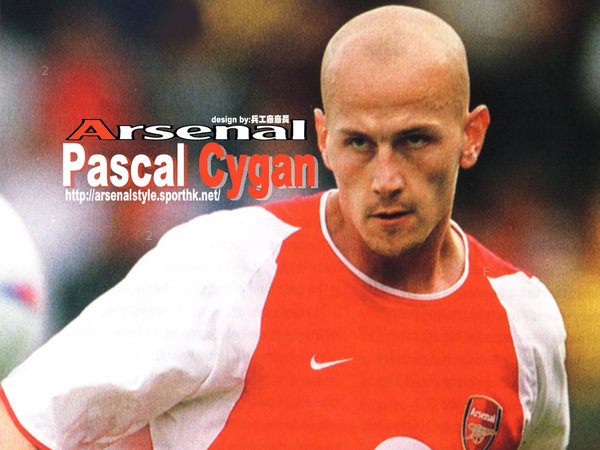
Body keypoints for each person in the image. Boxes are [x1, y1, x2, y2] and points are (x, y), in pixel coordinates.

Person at [0, 5, 569, 449]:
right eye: (359, 144)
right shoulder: (227, 269)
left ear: (471, 136)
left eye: (414, 140)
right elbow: (23, 421)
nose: (386, 178)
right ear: (323, 139)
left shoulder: (525, 324)